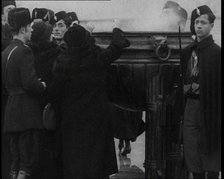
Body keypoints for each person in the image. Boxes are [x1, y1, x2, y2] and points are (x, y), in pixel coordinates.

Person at [47, 24, 130, 179]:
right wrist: (117, 34)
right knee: (96, 162)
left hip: (71, 121)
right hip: (95, 119)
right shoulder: (96, 56)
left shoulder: (62, 61)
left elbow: (54, 92)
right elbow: (115, 49)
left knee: (74, 162)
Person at [1, 7, 47, 179]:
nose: (32, 29)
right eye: (30, 26)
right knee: (28, 160)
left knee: (15, 159)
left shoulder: (5, 53)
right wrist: (42, 85)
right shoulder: (25, 51)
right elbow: (30, 83)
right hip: (26, 112)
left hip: (11, 112)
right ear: (23, 29)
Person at [181, 5, 221, 179]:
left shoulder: (217, 53)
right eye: (196, 22)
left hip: (211, 109)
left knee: (211, 151)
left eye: (203, 22)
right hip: (191, 106)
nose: (199, 26)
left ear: (211, 25)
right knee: (192, 149)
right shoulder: (187, 51)